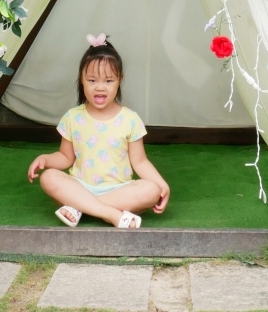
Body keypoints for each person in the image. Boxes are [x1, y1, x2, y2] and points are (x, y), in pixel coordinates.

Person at [27, 34, 170, 228]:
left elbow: (140, 161)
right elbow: (65, 157)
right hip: (80, 186)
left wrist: (162, 185)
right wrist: (46, 159)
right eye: (92, 80)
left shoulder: (130, 119)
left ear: (120, 80)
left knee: (150, 190)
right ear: (81, 80)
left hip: (119, 190)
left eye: (108, 81)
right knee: (49, 177)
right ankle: (111, 214)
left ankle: (81, 208)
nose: (100, 88)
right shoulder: (72, 117)